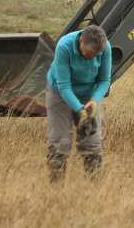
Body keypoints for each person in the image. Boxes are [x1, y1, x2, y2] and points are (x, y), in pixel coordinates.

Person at [45, 25, 111, 182]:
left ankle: (94, 186)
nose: (91, 57)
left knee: (92, 142)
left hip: (88, 95)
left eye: (96, 54)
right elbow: (64, 86)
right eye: (88, 53)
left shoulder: (105, 47)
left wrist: (94, 101)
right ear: (81, 40)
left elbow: (104, 80)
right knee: (60, 140)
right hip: (59, 94)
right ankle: (56, 186)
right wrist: (79, 110)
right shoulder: (64, 46)